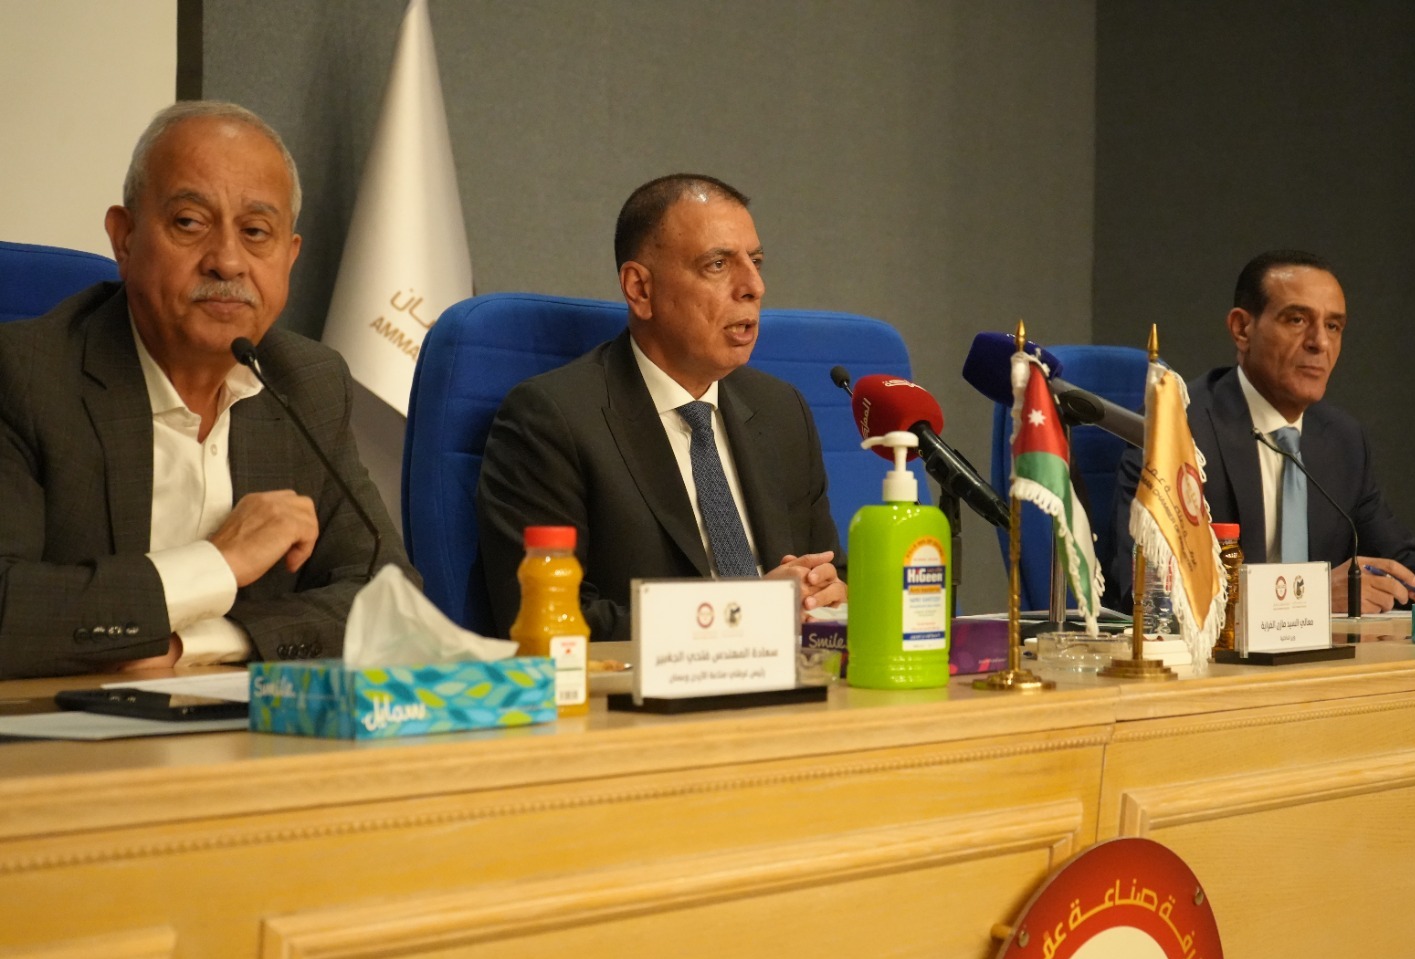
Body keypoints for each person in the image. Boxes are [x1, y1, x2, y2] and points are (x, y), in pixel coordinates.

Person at [0, 101, 413, 680]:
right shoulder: (24, 375)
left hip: (249, 721)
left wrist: (197, 645)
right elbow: (8, 606)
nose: (227, 261)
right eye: (190, 223)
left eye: (256, 232)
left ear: (289, 257)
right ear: (124, 238)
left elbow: (388, 595)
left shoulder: (307, 383)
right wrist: (218, 563)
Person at [478, 174, 846, 641]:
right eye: (717, 264)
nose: (754, 286)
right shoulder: (552, 420)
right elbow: (547, 621)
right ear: (640, 289)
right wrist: (744, 614)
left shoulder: (780, 411)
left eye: (755, 262)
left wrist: (831, 594)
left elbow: (830, 571)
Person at [1108, 249, 1415, 614]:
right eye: (1297, 320)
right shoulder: (1179, 431)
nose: (1319, 343)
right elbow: (1148, 593)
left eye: (1333, 326)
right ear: (1242, 329)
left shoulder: (1343, 441)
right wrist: (1307, 598)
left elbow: (1404, 567)